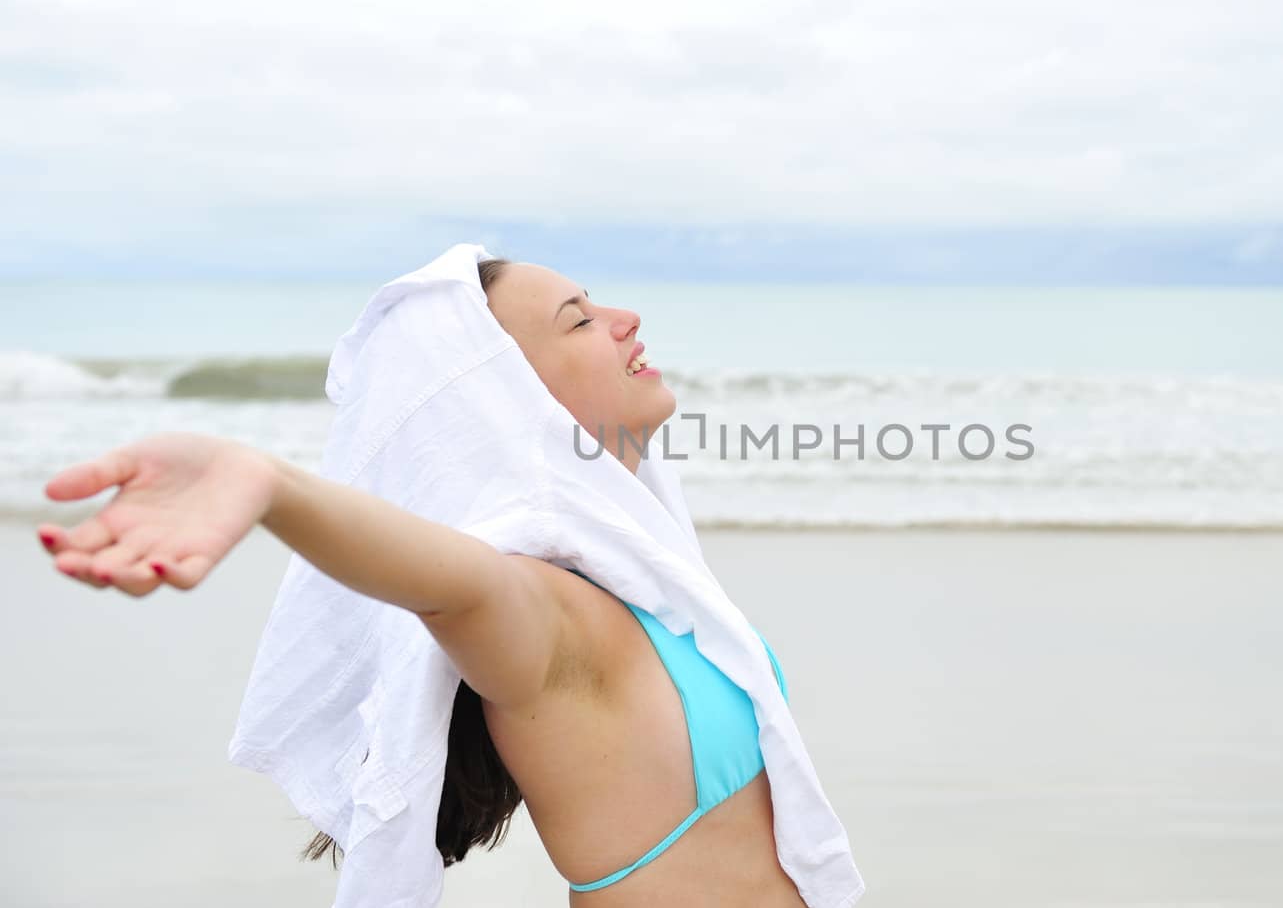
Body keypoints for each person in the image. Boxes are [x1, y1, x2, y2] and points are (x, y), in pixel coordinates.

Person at [33, 258, 812, 907]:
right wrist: (269, 483)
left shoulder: (635, 587)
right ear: (510, 406)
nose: (625, 317)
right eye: (579, 319)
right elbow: (454, 583)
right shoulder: (554, 612)